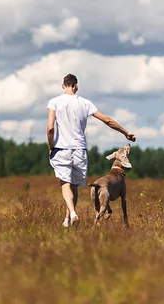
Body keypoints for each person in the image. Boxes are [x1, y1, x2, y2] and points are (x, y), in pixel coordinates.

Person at [46, 73, 136, 227]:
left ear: (63, 86)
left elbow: (50, 128)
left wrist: (50, 146)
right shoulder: (85, 103)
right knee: (73, 185)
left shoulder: (54, 102)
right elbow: (107, 120)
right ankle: (67, 219)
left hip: (61, 148)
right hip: (80, 149)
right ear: (76, 86)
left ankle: (72, 213)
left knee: (65, 183)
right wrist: (125, 132)